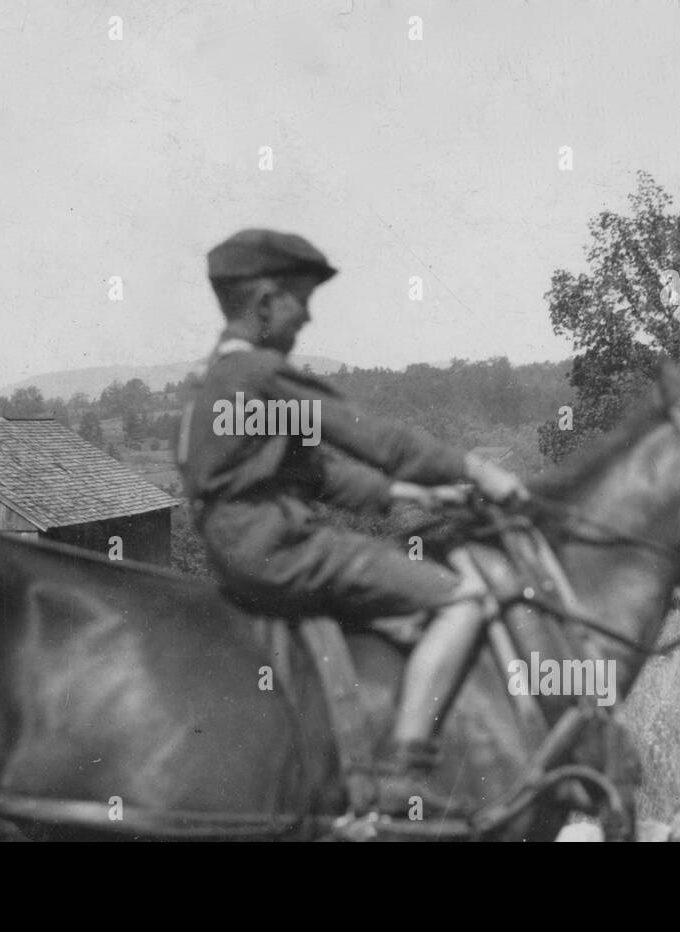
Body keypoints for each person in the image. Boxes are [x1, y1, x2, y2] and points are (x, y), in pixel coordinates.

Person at [176, 229, 528, 818]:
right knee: (463, 600)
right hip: (278, 546)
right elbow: (377, 439)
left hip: (238, 547)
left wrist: (409, 493)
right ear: (265, 302)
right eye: (301, 299)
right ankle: (404, 769)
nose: (308, 316)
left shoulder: (213, 381)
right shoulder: (263, 374)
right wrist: (478, 470)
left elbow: (312, 470)